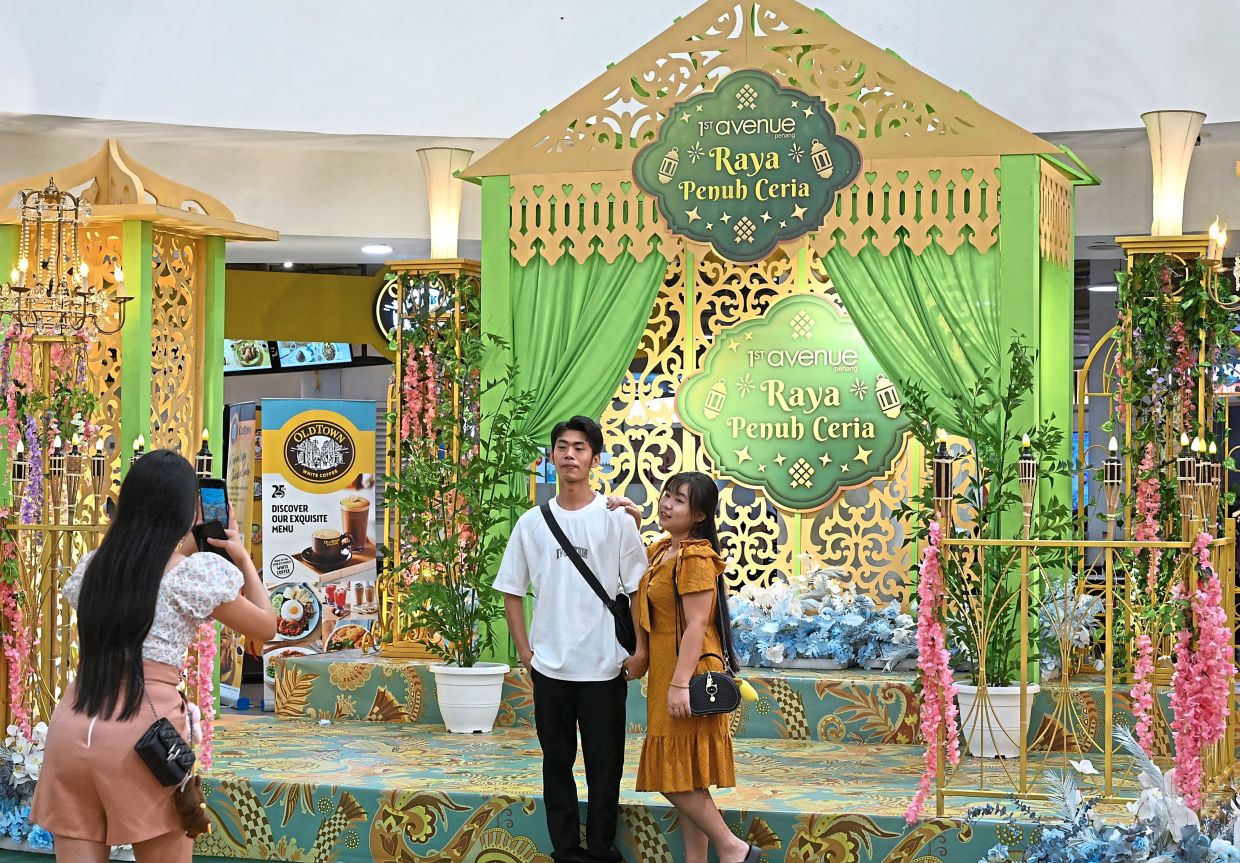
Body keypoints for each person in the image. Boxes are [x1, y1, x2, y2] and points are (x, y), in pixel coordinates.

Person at [31, 450, 277, 863]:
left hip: (73, 728)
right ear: (185, 513)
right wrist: (241, 554)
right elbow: (266, 627)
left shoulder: (93, 567)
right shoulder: (189, 574)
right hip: (144, 736)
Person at [494, 416, 648, 863]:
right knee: (555, 765)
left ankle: (601, 850)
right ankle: (566, 852)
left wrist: (640, 650)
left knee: (606, 768)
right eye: (562, 447)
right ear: (551, 457)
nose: (569, 455)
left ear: (595, 459)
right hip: (551, 668)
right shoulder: (532, 522)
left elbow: (637, 589)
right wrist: (525, 652)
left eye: (580, 448)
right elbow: (511, 590)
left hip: (604, 666)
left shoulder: (615, 520)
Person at [610, 473, 761, 863]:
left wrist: (679, 685)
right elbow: (638, 581)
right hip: (667, 669)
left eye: (678, 500)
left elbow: (697, 623)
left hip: (688, 673)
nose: (666, 503)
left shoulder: (695, 556)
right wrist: (634, 523)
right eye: (666, 495)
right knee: (687, 776)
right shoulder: (664, 550)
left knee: (669, 774)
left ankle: (733, 847)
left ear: (698, 515)